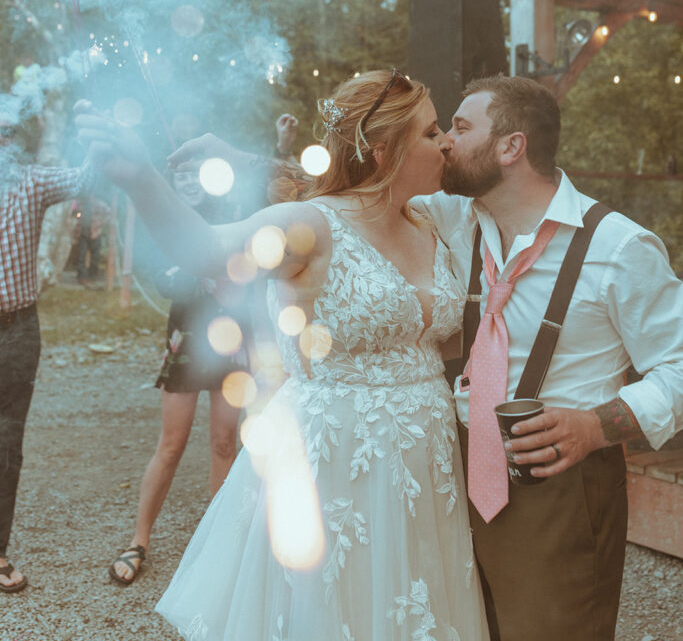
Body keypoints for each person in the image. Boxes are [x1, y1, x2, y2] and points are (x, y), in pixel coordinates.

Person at [77, 70, 490, 640]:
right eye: (431, 131)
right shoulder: (310, 225)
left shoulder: (434, 220)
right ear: (382, 148)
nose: (445, 142)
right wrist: (143, 180)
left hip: (427, 462)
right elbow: (206, 248)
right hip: (335, 459)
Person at [417, 75, 683, 641]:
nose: (446, 141)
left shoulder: (618, 247)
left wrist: (595, 426)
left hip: (561, 490)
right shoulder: (454, 218)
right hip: (453, 475)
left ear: (511, 146)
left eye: (461, 128)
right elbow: (360, 195)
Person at [108, 167, 252, 586]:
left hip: (231, 343)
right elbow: (163, 278)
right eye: (180, 175)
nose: (188, 181)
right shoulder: (167, 223)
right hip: (187, 343)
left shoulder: (229, 214)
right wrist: (205, 274)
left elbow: (247, 270)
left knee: (225, 443)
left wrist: (229, 274)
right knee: (171, 446)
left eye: (195, 173)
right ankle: (139, 540)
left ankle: (217, 541)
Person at [0, 121, 94, 594]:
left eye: (10, 133)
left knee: (6, 441)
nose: (5, 142)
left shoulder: (32, 181)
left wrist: (98, 133)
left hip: (17, 329)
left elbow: (84, 179)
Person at [74, 193, 110, 283]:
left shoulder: (100, 204)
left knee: (95, 257)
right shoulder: (80, 204)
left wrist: (101, 223)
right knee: (81, 256)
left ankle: (92, 275)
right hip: (83, 233)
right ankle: (81, 276)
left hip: (95, 232)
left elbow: (109, 214)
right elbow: (76, 215)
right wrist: (78, 218)